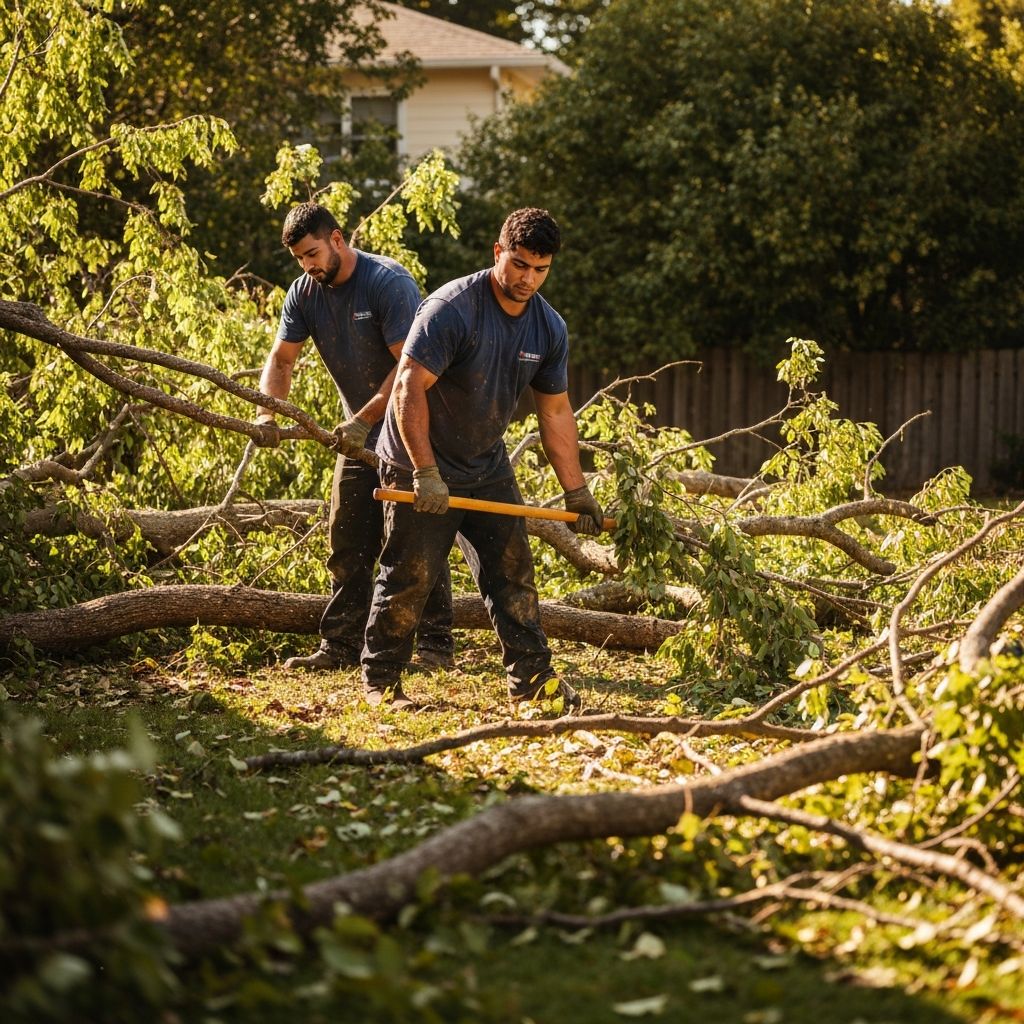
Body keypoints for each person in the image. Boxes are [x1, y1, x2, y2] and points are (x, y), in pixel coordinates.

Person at [362, 207, 604, 710]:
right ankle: (381, 682)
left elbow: (555, 411)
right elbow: (408, 389)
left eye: (540, 269)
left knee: (512, 571)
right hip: (417, 459)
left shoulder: (548, 328)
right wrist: (425, 473)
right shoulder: (452, 309)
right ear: (498, 252)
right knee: (410, 576)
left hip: (485, 463)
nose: (527, 279)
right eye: (518, 264)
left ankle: (534, 682)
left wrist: (576, 491)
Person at [255, 201, 454, 672]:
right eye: (299, 259)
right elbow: (282, 360)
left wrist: (365, 419)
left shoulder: (389, 284)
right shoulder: (305, 293)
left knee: (412, 536)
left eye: (312, 254)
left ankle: (434, 648)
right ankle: (341, 646)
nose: (307, 266)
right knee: (347, 537)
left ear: (338, 239)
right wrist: (267, 414)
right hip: (360, 435)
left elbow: (409, 372)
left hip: (410, 428)